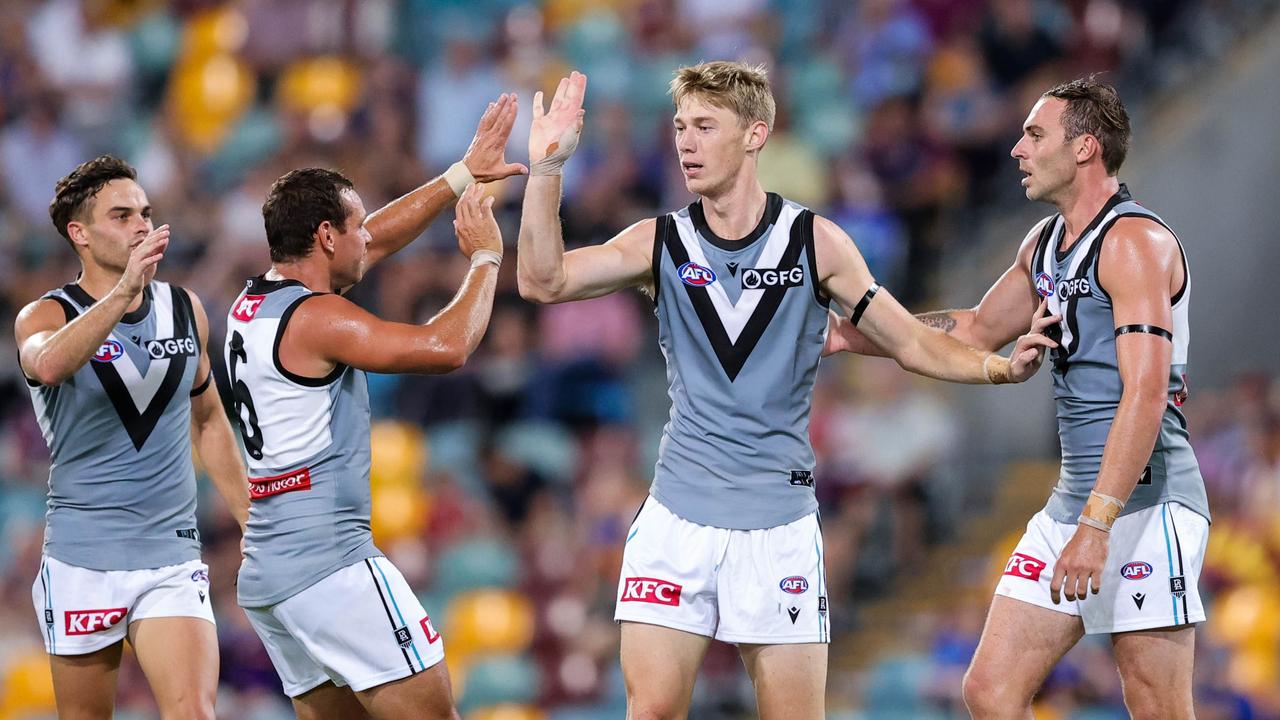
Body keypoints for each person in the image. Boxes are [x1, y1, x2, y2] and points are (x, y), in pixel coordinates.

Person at [516, 63, 1056, 720]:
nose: (686, 142)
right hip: (676, 520)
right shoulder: (660, 241)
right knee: (651, 710)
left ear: (755, 134)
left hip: (778, 527)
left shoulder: (815, 243)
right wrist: (545, 172)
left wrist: (999, 369)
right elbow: (543, 282)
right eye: (681, 127)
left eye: (705, 126)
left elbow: (909, 341)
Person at [827, 77, 1210, 719]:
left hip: (1147, 504)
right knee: (990, 692)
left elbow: (1144, 394)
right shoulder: (1044, 245)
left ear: (1085, 147)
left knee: (1156, 703)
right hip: (1074, 502)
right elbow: (974, 328)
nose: (1016, 149)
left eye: (1034, 134)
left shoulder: (1135, 243)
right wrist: (848, 333)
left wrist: (1096, 527)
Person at [224, 94, 523, 720]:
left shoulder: (253, 305)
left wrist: (460, 174)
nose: (369, 235)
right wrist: (486, 257)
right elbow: (444, 348)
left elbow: (373, 241)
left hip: (271, 578)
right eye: (354, 224)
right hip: (330, 562)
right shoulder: (319, 318)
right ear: (326, 236)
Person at [15, 155, 250, 719]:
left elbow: (210, 420)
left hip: (169, 556)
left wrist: (255, 523)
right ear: (81, 234)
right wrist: (120, 293)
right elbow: (48, 366)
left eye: (145, 212)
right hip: (83, 557)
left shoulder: (184, 308)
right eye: (122, 215)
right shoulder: (42, 316)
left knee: (194, 711)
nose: (142, 224)